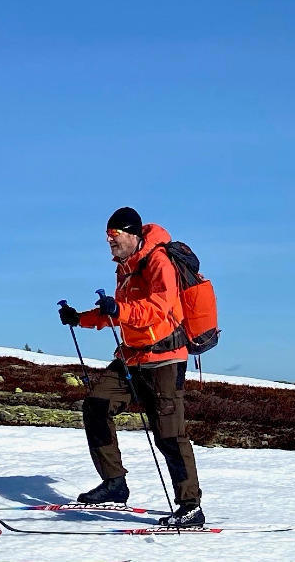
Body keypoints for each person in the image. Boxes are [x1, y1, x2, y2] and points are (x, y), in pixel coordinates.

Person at [57, 206, 205, 526]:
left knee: (168, 434)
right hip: (132, 358)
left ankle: (190, 505)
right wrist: (80, 318)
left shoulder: (158, 261)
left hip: (165, 359)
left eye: (114, 235)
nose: (109, 241)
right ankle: (114, 483)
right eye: (107, 236)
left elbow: (157, 309)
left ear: (132, 234)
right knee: (96, 405)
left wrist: (119, 309)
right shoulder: (125, 267)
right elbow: (119, 311)